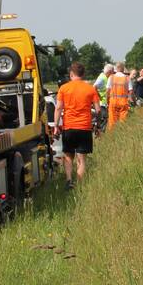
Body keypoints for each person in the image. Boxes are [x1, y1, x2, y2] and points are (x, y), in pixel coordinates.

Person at [56, 61, 101, 189]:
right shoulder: (90, 89)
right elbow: (98, 110)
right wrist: (97, 125)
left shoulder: (63, 88)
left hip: (68, 127)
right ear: (83, 74)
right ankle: (80, 185)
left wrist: (55, 126)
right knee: (82, 159)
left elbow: (58, 108)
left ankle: (69, 180)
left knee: (68, 156)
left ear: (71, 74)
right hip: (85, 128)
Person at [107, 62, 132, 128]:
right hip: (123, 103)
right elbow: (131, 91)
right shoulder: (127, 78)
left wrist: (107, 101)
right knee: (123, 123)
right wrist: (130, 100)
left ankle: (112, 136)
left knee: (112, 123)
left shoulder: (111, 77)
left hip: (113, 102)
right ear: (123, 69)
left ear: (116, 68)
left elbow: (107, 91)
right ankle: (121, 136)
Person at [92, 63, 114, 131]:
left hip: (104, 102)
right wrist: (98, 96)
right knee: (104, 119)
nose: (113, 73)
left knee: (105, 119)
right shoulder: (102, 78)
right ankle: (100, 134)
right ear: (109, 71)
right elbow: (94, 87)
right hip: (102, 103)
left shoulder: (104, 76)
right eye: (112, 72)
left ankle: (98, 131)